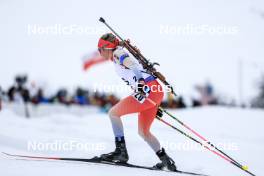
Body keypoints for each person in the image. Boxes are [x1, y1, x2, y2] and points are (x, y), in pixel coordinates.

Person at [97, 33, 176, 171]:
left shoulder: (117, 53)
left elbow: (133, 65)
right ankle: (166, 161)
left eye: (100, 49)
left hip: (148, 90)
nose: (99, 53)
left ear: (106, 47)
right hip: (154, 91)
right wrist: (153, 101)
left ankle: (120, 152)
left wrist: (140, 82)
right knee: (144, 132)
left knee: (113, 113)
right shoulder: (118, 54)